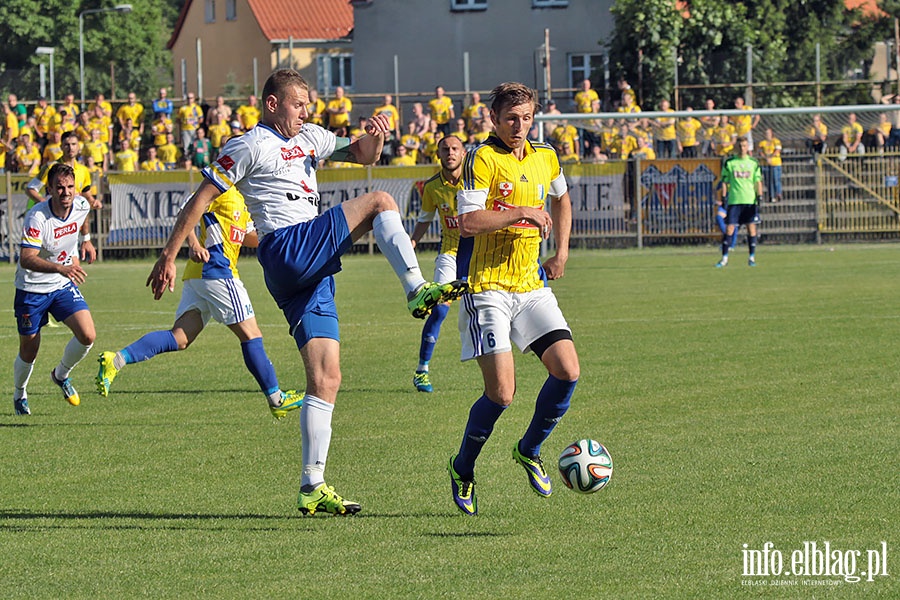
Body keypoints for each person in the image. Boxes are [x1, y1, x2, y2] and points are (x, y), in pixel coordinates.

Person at [146, 69, 467, 516]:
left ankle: (312, 485)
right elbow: (198, 201)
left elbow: (362, 153)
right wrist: (168, 255)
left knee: (326, 376)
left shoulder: (312, 136)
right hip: (285, 245)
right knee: (380, 203)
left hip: (304, 272)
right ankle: (416, 289)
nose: (305, 112)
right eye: (298, 104)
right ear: (273, 104)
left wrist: (375, 135)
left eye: (308, 105)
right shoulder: (248, 145)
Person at [448, 82, 579, 516]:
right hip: (487, 286)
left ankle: (529, 449)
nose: (518, 127)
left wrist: (560, 252)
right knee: (502, 394)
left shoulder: (546, 155)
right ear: (493, 119)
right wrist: (521, 212)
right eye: (510, 119)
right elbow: (468, 222)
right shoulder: (481, 158)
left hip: (530, 283)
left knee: (567, 371)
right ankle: (463, 468)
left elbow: (561, 200)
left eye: (525, 118)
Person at [95, 187, 303, 419]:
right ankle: (277, 399)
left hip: (200, 275)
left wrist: (274, 238)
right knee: (251, 335)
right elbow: (187, 209)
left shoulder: (244, 198)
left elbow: (246, 236)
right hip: (217, 271)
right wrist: (193, 243)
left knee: (180, 338)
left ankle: (116, 360)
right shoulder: (222, 187)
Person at [12, 163, 97, 415]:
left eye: (70, 187)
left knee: (88, 335)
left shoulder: (81, 204)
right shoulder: (38, 217)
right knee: (29, 349)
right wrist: (61, 267)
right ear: (49, 189)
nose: (66, 192)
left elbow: (83, 215)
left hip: (61, 286)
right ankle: (19, 393)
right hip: (31, 289)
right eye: (59, 187)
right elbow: (27, 258)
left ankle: (61, 375)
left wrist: (87, 241)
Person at [408, 135, 466, 393]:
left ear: (463, 153)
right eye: (445, 149)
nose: (450, 153)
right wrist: (412, 242)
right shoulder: (432, 187)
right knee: (440, 309)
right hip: (450, 252)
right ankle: (422, 371)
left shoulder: (477, 178)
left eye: (455, 149)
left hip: (480, 253)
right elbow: (424, 219)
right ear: (438, 154)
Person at [716, 136, 762, 268]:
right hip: (735, 200)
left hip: (749, 200)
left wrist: (760, 197)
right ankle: (724, 259)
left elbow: (757, 181)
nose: (742, 148)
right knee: (730, 228)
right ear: (737, 147)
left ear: (748, 147)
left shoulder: (753, 163)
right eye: (740, 146)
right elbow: (724, 181)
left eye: (744, 146)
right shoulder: (730, 163)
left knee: (751, 228)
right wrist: (724, 197)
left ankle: (751, 258)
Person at [757, 127, 782, 202]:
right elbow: (760, 151)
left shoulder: (776, 141)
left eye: (769, 133)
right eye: (766, 133)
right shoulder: (762, 143)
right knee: (768, 180)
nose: (767, 135)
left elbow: (777, 150)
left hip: (775, 163)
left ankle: (778, 194)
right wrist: (766, 158)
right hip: (765, 164)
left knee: (776, 179)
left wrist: (770, 157)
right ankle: (771, 196)